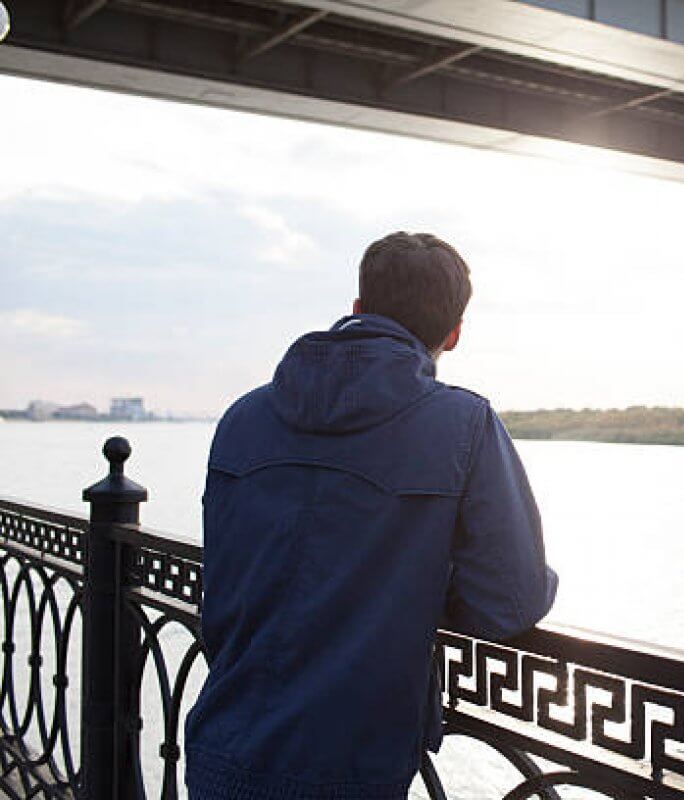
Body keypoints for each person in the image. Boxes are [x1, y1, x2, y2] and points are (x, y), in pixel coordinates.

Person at [184, 232, 558, 799]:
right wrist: (419, 580)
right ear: (453, 334)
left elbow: (224, 578)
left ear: (357, 308)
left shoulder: (243, 417)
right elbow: (509, 602)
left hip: (220, 748)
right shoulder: (464, 425)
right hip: (351, 766)